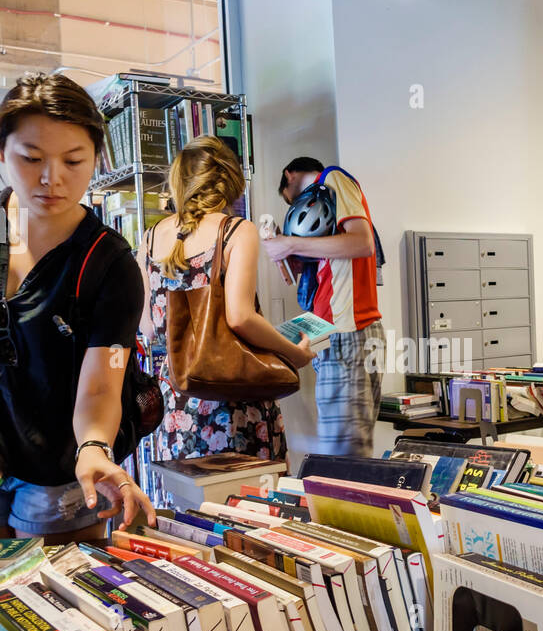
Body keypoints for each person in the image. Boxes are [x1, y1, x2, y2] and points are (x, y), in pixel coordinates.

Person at [0, 72, 154, 540]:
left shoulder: (106, 261)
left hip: (61, 467)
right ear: (0, 150)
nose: (51, 179)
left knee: (57, 601)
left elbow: (104, 380)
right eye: (31, 158)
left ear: (97, 159)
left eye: (74, 161)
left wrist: (95, 446)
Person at [141, 136, 311, 470]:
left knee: (190, 515)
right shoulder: (236, 230)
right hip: (233, 400)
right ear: (231, 181)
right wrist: (294, 353)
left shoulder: (149, 239)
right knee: (250, 511)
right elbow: (240, 318)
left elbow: (148, 329)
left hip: (176, 405)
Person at [264, 157, 385, 457]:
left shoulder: (332, 179)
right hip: (340, 332)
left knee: (344, 457)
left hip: (345, 332)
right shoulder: (329, 205)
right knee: (351, 450)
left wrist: (289, 244)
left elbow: (362, 243)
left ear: (288, 174)